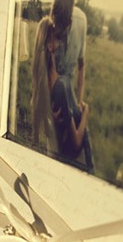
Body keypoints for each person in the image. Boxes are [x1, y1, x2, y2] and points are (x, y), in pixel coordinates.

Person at [31, 16, 91, 166]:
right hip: (75, 162)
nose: (61, 42)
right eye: (57, 38)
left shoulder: (43, 86)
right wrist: (85, 114)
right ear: (50, 46)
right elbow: (76, 143)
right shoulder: (60, 86)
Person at [50, 0, 94, 171]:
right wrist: (48, 111)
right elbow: (44, 71)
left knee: (79, 136)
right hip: (57, 90)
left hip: (68, 91)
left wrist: (79, 101)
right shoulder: (50, 25)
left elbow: (82, 65)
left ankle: (89, 171)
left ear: (70, 20)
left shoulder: (81, 21)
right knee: (69, 141)